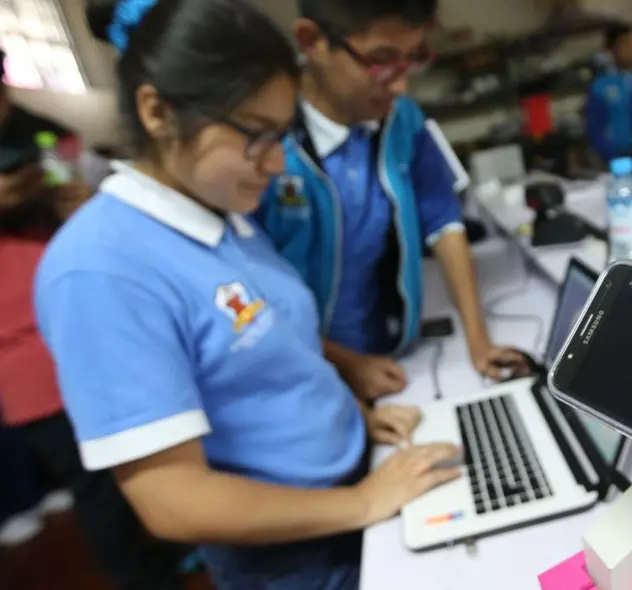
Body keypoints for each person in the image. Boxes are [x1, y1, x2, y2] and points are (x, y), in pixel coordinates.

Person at [36, 2, 461, 590]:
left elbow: (269, 343)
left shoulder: (223, 214)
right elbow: (173, 501)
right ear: (157, 111)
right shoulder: (101, 270)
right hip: (294, 552)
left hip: (351, 482)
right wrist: (363, 503)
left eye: (282, 135)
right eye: (255, 136)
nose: (277, 161)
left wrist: (356, 421)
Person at [255, 0, 529, 404]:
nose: (401, 86)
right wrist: (347, 364)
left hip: (390, 352)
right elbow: (249, 290)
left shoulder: (402, 119)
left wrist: (479, 341)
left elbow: (444, 221)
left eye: (413, 59)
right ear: (311, 42)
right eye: (380, 61)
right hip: (300, 369)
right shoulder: (265, 141)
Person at [0, 48, 188, 588]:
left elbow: (82, 178)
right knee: (96, 488)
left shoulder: (44, 135)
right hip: (28, 360)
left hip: (92, 329)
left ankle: (166, 559)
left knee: (136, 470)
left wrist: (76, 198)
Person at [584, 23, 632, 165]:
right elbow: (595, 127)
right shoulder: (601, 86)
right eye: (625, 44)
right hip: (619, 156)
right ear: (612, 49)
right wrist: (610, 155)